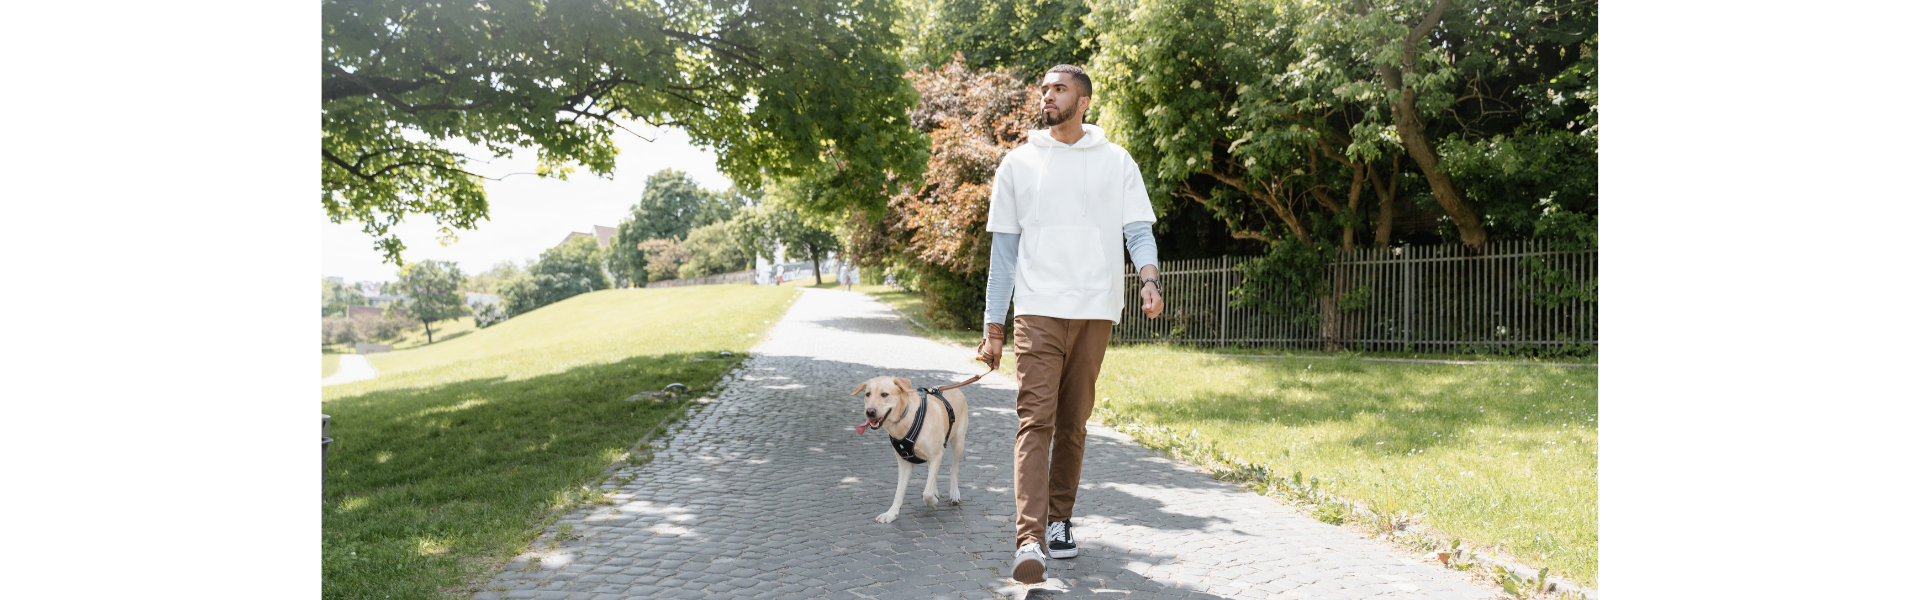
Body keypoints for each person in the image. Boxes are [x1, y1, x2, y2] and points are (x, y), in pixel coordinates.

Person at [975, 64, 1163, 585]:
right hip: (1037, 308)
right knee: (1035, 420)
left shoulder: (1116, 161)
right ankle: (1029, 538)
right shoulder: (1018, 163)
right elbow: (1003, 255)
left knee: (1074, 422)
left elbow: (1138, 230)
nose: (1047, 96)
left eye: (1059, 89)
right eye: (1044, 89)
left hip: (1096, 308)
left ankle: (1059, 520)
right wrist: (994, 326)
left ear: (1083, 102)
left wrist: (1149, 279)